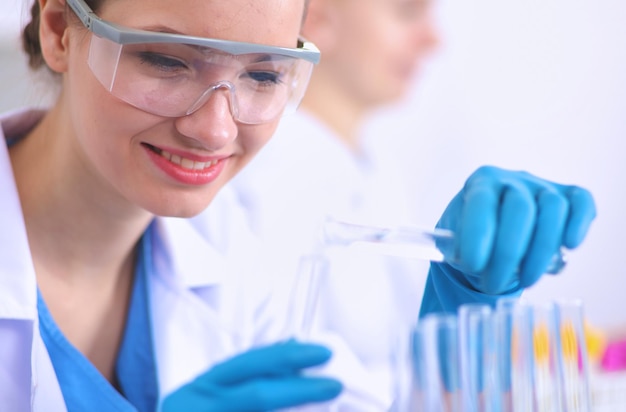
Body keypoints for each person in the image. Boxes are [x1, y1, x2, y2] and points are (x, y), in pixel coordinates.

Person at [0, 0, 595, 412]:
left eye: (264, 75)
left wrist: (460, 331)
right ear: (59, 30)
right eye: (167, 61)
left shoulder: (242, 255)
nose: (214, 130)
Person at [219, 0, 598, 405]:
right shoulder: (260, 178)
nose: (433, 39)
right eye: (407, 12)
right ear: (319, 18)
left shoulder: (373, 166)